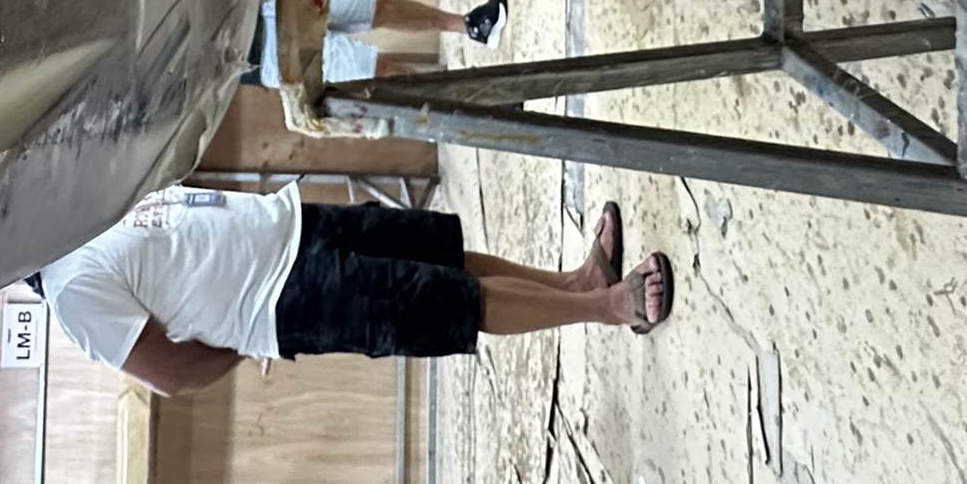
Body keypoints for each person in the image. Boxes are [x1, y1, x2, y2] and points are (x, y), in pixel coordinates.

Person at [33, 190, 672, 394]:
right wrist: (245, 338)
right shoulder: (71, 294)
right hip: (286, 299)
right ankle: (608, 307)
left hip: (294, 226)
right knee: (451, 303)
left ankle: (579, 282)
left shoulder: (84, 212)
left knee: (442, 258)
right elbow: (171, 373)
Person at [245, 0, 507, 89]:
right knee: (379, 73)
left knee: (374, 8)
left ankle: (472, 26)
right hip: (264, 54)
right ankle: (477, 99)